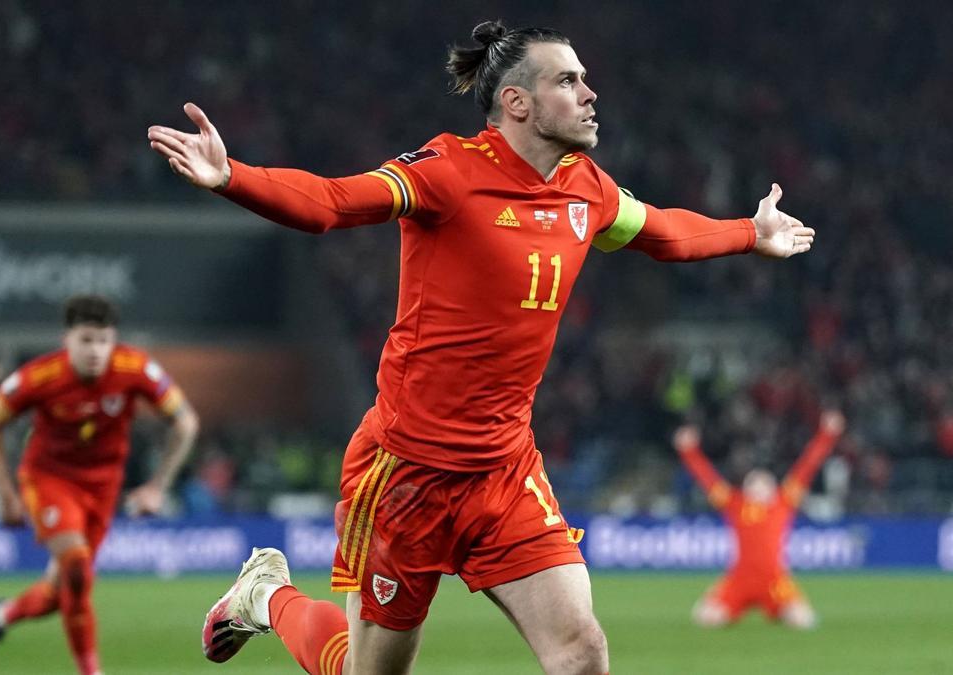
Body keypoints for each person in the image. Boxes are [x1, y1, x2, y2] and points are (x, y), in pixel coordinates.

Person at [149, 19, 814, 675]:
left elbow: (664, 233)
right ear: (517, 102)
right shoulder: (448, 172)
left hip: (504, 470)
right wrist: (232, 175)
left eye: (585, 80)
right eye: (568, 80)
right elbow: (331, 202)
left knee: (582, 652)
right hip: (407, 473)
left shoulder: (586, 186)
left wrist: (749, 233)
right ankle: (265, 593)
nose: (590, 94)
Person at [0, 295, 200, 674]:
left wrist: (157, 486)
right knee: (76, 567)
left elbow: (186, 422)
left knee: (64, 591)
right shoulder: (40, 376)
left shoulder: (133, 367)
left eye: (104, 340)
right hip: (49, 479)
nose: (96, 351)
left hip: (104, 488)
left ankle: (1, 616)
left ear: (114, 340)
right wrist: (5, 493)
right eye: (86, 340)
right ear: (67, 339)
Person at [673, 410, 845, 630]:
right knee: (704, 617)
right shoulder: (736, 504)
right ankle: (758, 611)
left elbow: (808, 465)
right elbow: (707, 479)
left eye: (765, 483)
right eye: (754, 483)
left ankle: (777, 611)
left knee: (805, 621)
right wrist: (688, 450)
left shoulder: (784, 501)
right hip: (740, 579)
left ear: (773, 487)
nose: (760, 487)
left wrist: (827, 434)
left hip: (774, 580)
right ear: (746, 488)